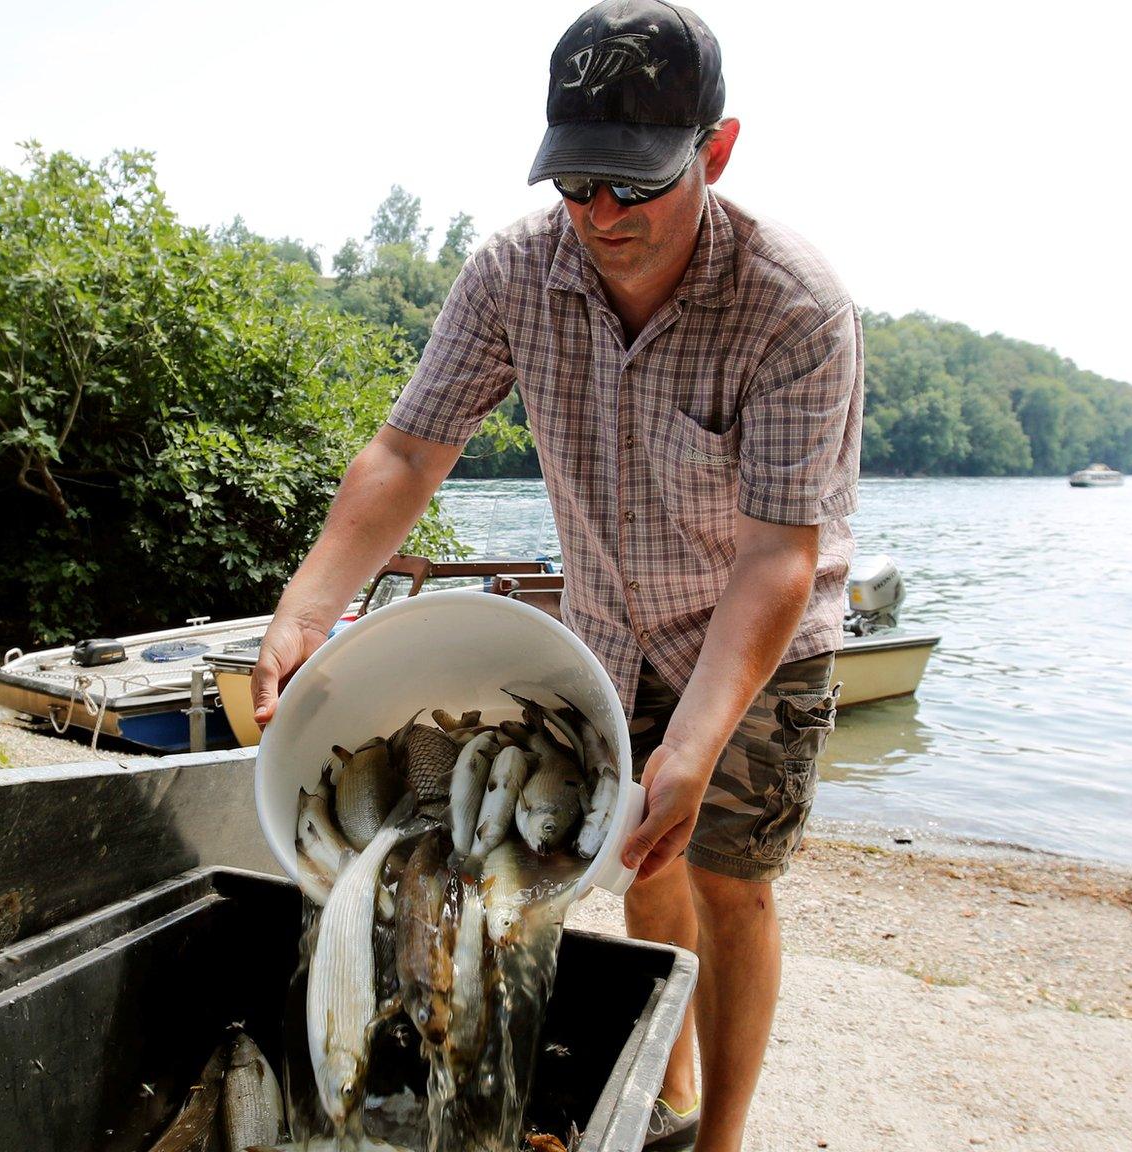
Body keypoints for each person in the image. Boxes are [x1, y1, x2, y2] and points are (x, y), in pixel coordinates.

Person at [248, 4, 861, 1148]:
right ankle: (663, 1094)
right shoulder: (513, 274)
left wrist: (697, 741)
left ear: (713, 152)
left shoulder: (794, 306)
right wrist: (304, 608)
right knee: (639, 876)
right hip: (602, 629)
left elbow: (780, 555)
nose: (601, 217)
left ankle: (719, 1137)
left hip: (755, 640)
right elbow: (406, 451)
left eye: (635, 185)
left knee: (729, 881)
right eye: (576, 184)